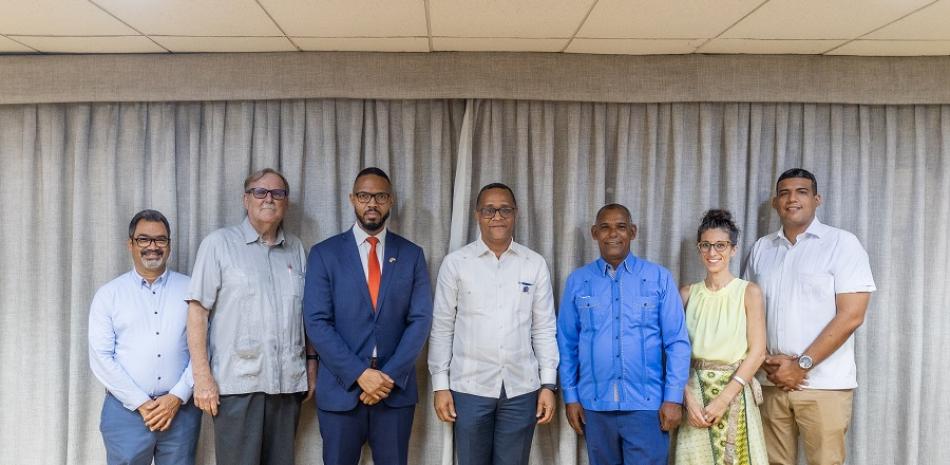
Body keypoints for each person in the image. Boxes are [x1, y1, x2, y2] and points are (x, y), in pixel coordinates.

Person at [744, 168, 875, 465]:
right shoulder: (762, 249)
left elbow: (852, 316)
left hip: (824, 385)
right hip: (771, 383)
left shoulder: (842, 244)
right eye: (784, 193)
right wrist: (769, 363)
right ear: (776, 203)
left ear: (817, 199)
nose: (792, 199)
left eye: (801, 192)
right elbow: (748, 312)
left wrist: (801, 365)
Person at [304, 167, 433, 465]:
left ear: (390, 201)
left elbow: (421, 320)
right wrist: (360, 374)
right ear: (352, 199)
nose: (371, 203)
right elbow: (316, 322)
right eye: (364, 195)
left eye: (380, 196)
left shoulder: (411, 254)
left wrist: (386, 378)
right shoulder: (325, 254)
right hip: (341, 390)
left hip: (395, 392)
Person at [186, 168, 314, 465]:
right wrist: (202, 377)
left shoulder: (296, 248)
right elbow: (197, 313)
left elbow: (307, 316)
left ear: (286, 201)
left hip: (287, 387)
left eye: (278, 193)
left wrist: (311, 366)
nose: (269, 198)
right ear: (246, 199)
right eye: (260, 192)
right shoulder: (218, 244)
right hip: (237, 388)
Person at [428, 182, 558, 465]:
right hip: (469, 387)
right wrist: (440, 385)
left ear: (515, 213)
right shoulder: (456, 263)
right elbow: (442, 327)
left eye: (504, 210)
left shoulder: (533, 264)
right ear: (477, 214)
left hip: (521, 389)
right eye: (489, 210)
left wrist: (548, 383)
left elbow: (544, 327)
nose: (496, 216)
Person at [557, 203, 690, 465]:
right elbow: (567, 343)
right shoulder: (578, 281)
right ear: (595, 233)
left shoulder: (658, 278)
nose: (613, 234)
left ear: (633, 231)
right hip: (595, 407)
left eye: (621, 227)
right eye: (605, 227)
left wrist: (673, 398)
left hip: (647, 407)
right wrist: (570, 397)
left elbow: (677, 343)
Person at [88, 209, 200, 465]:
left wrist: (176, 397)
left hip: (180, 411)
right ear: (131, 244)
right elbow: (101, 357)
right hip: (125, 412)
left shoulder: (192, 289)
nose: (153, 246)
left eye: (160, 240)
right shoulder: (109, 295)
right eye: (144, 239)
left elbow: (204, 349)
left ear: (169, 245)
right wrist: (140, 403)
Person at [674, 209, 768, 465]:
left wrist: (724, 399)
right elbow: (671, 352)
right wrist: (685, 397)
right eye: (706, 245)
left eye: (720, 245)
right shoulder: (686, 294)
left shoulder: (749, 292)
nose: (712, 253)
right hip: (694, 393)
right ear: (698, 248)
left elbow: (758, 351)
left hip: (734, 392)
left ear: (733, 249)